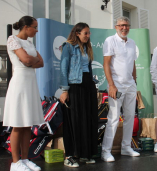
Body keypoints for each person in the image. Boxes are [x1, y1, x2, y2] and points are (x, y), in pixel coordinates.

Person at [3, 16, 44, 171]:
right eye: (35, 27)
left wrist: (29, 59)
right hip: (19, 84)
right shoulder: (13, 40)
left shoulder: (29, 43)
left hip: (31, 84)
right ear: (26, 27)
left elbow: (41, 62)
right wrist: (31, 60)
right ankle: (15, 162)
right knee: (18, 124)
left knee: (27, 124)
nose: (37, 30)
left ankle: (25, 159)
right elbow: (26, 60)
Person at [101, 16, 140, 162]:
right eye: (121, 25)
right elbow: (106, 64)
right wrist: (111, 85)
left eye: (127, 25)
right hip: (116, 85)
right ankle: (106, 150)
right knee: (114, 118)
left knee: (130, 116)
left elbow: (133, 64)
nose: (124, 28)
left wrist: (134, 83)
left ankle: (126, 147)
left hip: (130, 85)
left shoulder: (132, 42)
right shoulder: (110, 41)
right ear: (116, 26)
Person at [59, 23, 98, 167]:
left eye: (89, 33)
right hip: (75, 86)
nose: (88, 36)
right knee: (73, 121)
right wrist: (65, 90)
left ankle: (85, 154)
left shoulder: (87, 48)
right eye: (85, 33)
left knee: (88, 120)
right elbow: (64, 69)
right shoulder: (68, 46)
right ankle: (70, 156)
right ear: (77, 33)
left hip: (88, 85)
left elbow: (87, 69)